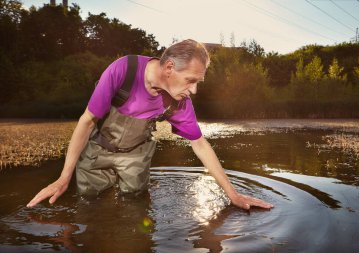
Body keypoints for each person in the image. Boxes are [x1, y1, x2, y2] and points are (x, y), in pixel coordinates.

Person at [27, 39, 273, 210]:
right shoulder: (123, 70)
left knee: (135, 204)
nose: (194, 90)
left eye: (199, 82)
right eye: (191, 80)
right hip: (98, 150)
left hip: (137, 156)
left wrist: (233, 195)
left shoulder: (179, 102)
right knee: (90, 202)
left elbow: (200, 144)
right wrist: (63, 177)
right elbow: (87, 121)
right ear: (169, 68)